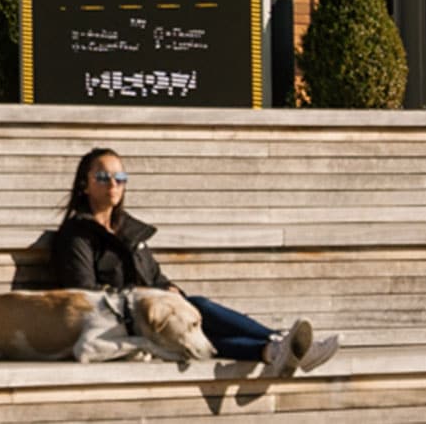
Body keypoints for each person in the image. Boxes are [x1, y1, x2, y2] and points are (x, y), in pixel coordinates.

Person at [54, 147, 337, 374]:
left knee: (195, 325)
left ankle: (273, 350)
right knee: (198, 307)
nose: (113, 184)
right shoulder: (76, 236)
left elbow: (155, 276)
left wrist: (169, 289)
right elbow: (84, 294)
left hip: (155, 313)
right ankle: (283, 341)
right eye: (103, 178)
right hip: (120, 322)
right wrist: (148, 299)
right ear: (85, 185)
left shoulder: (128, 230)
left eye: (120, 177)